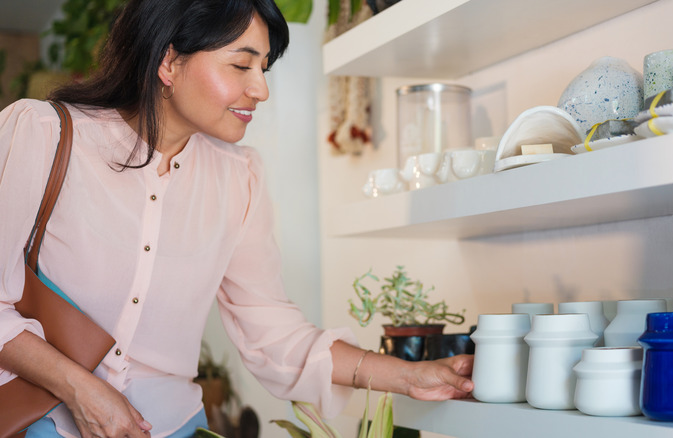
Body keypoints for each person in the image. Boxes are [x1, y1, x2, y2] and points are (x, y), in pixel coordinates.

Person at [0, 0, 474, 437]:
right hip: (44, 422)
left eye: (264, 68)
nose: (261, 89)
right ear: (168, 62)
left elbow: (273, 333)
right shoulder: (42, 134)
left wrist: (410, 375)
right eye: (241, 64)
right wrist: (80, 388)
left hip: (176, 426)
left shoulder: (239, 178)